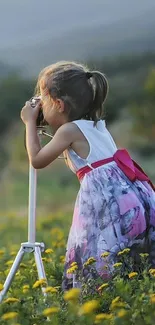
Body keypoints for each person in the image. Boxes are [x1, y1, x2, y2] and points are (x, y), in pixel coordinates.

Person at [21, 61, 155, 291]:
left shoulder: (68, 131)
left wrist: (29, 123)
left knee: (94, 254)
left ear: (59, 104)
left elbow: (37, 160)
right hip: (135, 198)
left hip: (107, 204)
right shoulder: (96, 125)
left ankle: (96, 301)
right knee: (131, 258)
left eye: (43, 99)